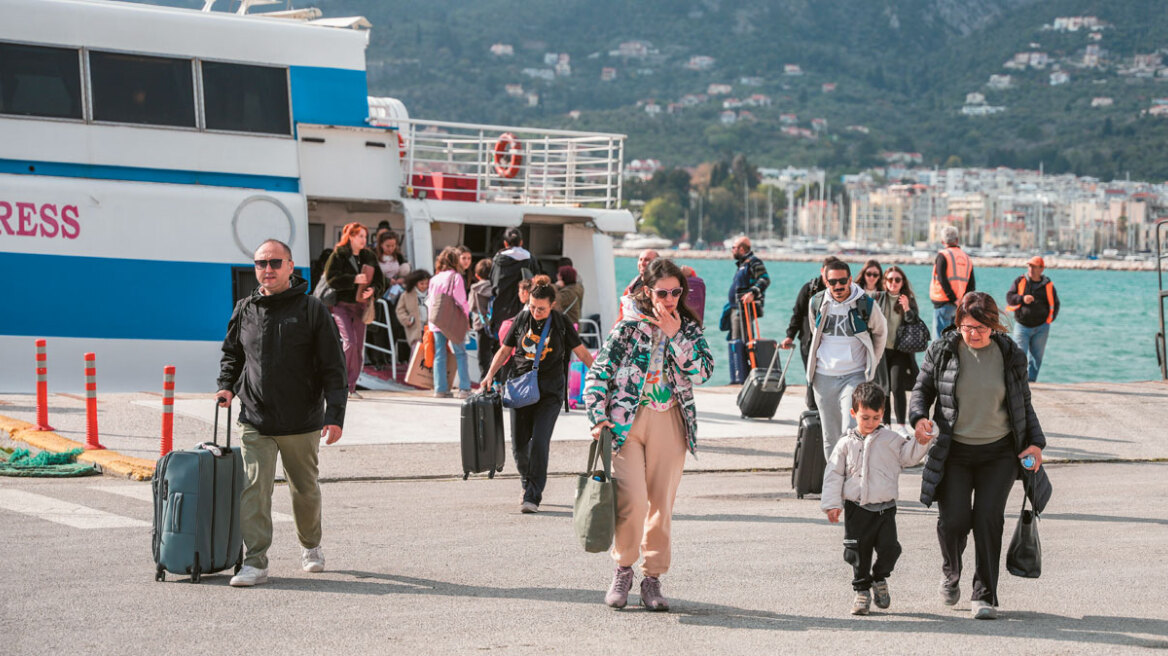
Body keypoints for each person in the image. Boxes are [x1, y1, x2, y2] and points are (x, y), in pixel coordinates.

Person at [584, 258, 714, 612]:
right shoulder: (627, 327)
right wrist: (597, 418)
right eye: (663, 292)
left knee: (662, 506)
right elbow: (597, 373)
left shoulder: (687, 328)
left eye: (676, 292)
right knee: (633, 502)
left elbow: (703, 371)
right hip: (625, 423)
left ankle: (652, 578)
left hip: (670, 421)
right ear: (647, 291)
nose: (670, 298)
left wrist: (675, 336)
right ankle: (623, 569)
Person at [216, 239, 347, 588]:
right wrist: (226, 385)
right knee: (254, 490)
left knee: (303, 489)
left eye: (275, 263)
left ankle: (311, 545)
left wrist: (334, 415)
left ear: (291, 267)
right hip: (255, 418)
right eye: (261, 263)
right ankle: (256, 561)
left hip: (301, 420)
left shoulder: (311, 309)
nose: (268, 269)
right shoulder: (245, 309)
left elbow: (334, 366)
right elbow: (233, 354)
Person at [910, 291, 1047, 620]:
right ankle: (951, 573)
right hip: (953, 451)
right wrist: (918, 419)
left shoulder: (1009, 352)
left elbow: (1022, 403)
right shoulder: (942, 349)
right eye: (968, 327)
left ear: (994, 325)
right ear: (958, 323)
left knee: (988, 519)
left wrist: (1035, 444)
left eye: (982, 328)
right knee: (953, 520)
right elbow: (921, 390)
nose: (974, 333)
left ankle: (984, 593)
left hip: (998, 453)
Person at [481, 282, 595, 513]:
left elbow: (582, 352)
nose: (535, 312)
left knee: (540, 442)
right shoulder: (522, 320)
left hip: (550, 393)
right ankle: (527, 482)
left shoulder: (561, 323)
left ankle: (533, 495)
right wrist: (489, 375)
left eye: (541, 308)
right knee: (520, 446)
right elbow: (505, 351)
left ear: (552, 305)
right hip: (520, 389)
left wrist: (601, 379)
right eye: (532, 306)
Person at [822, 382, 934, 615]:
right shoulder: (845, 443)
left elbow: (909, 456)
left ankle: (879, 578)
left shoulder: (891, 439)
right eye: (865, 418)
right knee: (857, 553)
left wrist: (922, 441)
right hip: (857, 508)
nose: (870, 423)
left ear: (883, 413)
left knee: (890, 549)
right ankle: (862, 592)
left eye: (875, 417)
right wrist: (832, 504)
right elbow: (833, 474)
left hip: (885, 509)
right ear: (853, 414)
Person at [806, 260, 887, 461]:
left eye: (843, 281)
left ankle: (852, 481)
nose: (838, 286)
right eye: (833, 281)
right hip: (823, 377)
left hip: (855, 375)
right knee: (830, 436)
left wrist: (872, 363)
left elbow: (881, 332)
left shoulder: (865, 304)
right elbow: (813, 331)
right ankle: (834, 484)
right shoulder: (817, 302)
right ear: (826, 281)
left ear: (850, 280)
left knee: (851, 430)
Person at [322, 223, 386, 396]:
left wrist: (374, 290)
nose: (364, 240)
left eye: (365, 236)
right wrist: (353, 279)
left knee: (358, 348)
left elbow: (381, 280)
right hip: (341, 305)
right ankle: (340, 382)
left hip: (362, 307)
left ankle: (351, 386)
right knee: (349, 342)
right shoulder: (338, 254)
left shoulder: (369, 256)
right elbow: (331, 279)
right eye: (360, 236)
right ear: (350, 236)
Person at [780, 256, 841, 410]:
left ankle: (829, 405)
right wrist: (789, 336)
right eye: (828, 273)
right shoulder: (809, 289)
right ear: (822, 271)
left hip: (831, 341)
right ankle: (813, 407)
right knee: (811, 375)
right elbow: (797, 313)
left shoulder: (840, 291)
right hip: (809, 340)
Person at [875, 265, 922, 433]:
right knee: (883, 388)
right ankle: (886, 424)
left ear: (902, 282)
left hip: (900, 351)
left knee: (897, 386)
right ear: (884, 281)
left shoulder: (907, 299)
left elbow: (914, 323)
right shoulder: (878, 298)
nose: (893, 283)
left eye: (897, 280)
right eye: (890, 279)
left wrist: (907, 308)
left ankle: (901, 426)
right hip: (881, 351)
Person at [1006, 256, 1060, 382]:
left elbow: (1056, 303)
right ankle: (1017, 381)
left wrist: (1050, 320)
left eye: (1034, 266)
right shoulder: (1020, 281)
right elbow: (1009, 297)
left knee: (1037, 358)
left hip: (1042, 327)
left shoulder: (1048, 285)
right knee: (1019, 354)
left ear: (1041, 269)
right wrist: (1022, 299)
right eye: (1029, 266)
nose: (1031, 269)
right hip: (1022, 325)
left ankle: (1031, 381)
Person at [427, 246, 471, 398]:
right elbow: (461, 300)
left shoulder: (434, 278)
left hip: (437, 320)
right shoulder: (456, 277)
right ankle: (464, 389)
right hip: (452, 321)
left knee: (440, 354)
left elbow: (430, 301)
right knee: (460, 353)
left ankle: (440, 389)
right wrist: (466, 318)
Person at [490, 228, 537, 342]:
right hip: (524, 308)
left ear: (505, 243)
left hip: (501, 308)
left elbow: (493, 283)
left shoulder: (498, 260)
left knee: (502, 344)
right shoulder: (530, 259)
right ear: (521, 242)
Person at [929, 225, 976, 339]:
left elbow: (942, 280)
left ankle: (940, 357)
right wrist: (962, 301)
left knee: (940, 341)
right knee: (955, 340)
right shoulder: (966, 258)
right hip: (959, 305)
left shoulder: (943, 256)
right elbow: (971, 285)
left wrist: (953, 298)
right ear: (957, 240)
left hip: (944, 302)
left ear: (942, 241)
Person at [725, 236, 770, 340]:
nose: (732, 250)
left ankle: (744, 357)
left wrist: (752, 293)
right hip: (737, 309)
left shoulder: (753, 262)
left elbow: (765, 279)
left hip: (744, 309)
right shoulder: (743, 264)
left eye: (733, 247)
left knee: (739, 342)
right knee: (739, 341)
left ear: (741, 249)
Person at [470, 259, 495, 380]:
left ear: (477, 275)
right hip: (495, 324)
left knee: (482, 354)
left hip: (481, 324)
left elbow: (471, 306)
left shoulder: (475, 288)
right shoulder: (496, 288)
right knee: (495, 352)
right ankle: (496, 380)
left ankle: (484, 379)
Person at [395, 269, 431, 348]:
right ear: (415, 283)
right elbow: (400, 310)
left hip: (429, 327)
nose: (424, 286)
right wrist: (406, 319)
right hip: (414, 327)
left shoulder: (431, 293)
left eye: (426, 283)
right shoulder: (407, 295)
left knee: (429, 350)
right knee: (416, 351)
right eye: (422, 284)